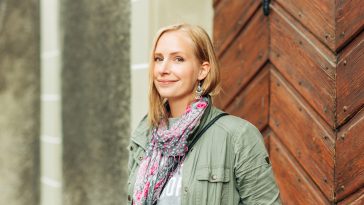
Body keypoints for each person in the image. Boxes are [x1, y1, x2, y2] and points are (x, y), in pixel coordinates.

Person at [127, 23, 281, 205]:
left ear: (203, 70)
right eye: (158, 59)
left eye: (178, 59)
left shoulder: (237, 136)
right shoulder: (145, 132)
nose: (163, 69)